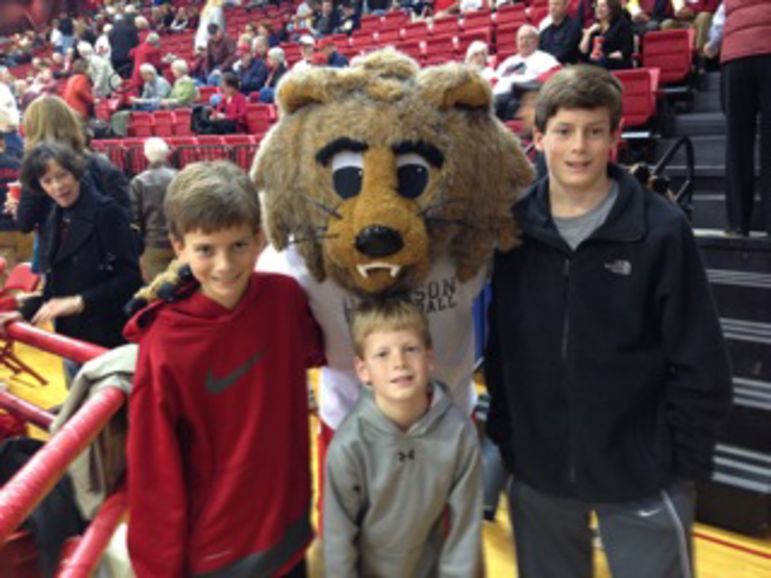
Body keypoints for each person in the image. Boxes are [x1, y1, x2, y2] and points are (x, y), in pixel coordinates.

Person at [485, 65, 732, 578]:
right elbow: (504, 349)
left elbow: (701, 359)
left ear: (616, 136)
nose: (579, 147)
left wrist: (681, 467)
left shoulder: (661, 230)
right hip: (540, 475)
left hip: (641, 476)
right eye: (564, 131)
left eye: (594, 131)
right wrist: (511, 444)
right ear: (538, 137)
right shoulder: (512, 232)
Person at [125, 161, 323, 578]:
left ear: (259, 238)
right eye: (205, 249)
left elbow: (317, 349)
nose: (224, 265)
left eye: (238, 245)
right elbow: (153, 471)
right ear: (178, 247)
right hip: (217, 551)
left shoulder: (286, 300)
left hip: (289, 530)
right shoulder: (164, 346)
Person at [324, 297, 483, 577]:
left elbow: (465, 529)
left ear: (429, 359)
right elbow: (338, 539)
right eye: (382, 354)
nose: (399, 362)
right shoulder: (348, 446)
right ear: (363, 371)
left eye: (410, 349)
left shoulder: (459, 433)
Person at [19, 143, 141, 379]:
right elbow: (57, 287)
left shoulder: (107, 212)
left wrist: (80, 301)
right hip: (71, 335)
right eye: (47, 181)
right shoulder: (55, 214)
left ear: (75, 172)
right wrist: (23, 311)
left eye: (62, 175)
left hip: (107, 333)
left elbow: (130, 278)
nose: (57, 186)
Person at [12, 96, 132, 274]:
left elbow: (24, 223)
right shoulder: (102, 164)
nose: (57, 186)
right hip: (105, 263)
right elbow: (126, 220)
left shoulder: (39, 170)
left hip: (60, 263)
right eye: (48, 182)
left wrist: (17, 206)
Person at [720, 0, 771, 236]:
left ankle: (737, 223)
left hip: (735, 55)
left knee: (737, 143)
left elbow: (719, 20)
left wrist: (712, 45)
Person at [129, 138, 177, 282]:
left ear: (145, 155)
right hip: (180, 242)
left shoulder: (138, 181)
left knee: (156, 290)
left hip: (153, 245)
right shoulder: (180, 177)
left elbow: (134, 219)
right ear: (167, 153)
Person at [493, 25, 560, 120]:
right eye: (521, 39)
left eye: (528, 38)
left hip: (523, 96)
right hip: (498, 96)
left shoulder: (545, 58)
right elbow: (493, 80)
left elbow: (554, 75)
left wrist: (526, 85)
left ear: (536, 41)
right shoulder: (508, 61)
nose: (524, 41)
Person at [579, 0, 634, 69]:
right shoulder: (595, 25)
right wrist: (588, 33)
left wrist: (606, 57)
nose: (598, 9)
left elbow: (626, 51)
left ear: (612, 8)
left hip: (616, 64)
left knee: (601, 62)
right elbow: (583, 51)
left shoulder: (622, 24)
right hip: (598, 64)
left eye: (603, 6)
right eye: (597, 6)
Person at [540, 0, 583, 64]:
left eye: (556, 4)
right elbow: (540, 53)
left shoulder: (574, 28)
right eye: (550, 4)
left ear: (565, 6)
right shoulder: (545, 32)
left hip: (567, 67)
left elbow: (564, 54)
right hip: (546, 66)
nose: (552, 7)